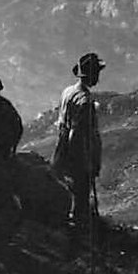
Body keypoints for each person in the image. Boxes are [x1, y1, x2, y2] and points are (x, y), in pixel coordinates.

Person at [52, 51, 105, 246]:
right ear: (92, 75)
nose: (98, 76)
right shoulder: (85, 101)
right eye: (97, 72)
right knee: (81, 197)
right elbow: (78, 134)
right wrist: (86, 162)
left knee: (71, 192)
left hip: (62, 148)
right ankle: (77, 240)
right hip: (78, 153)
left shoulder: (68, 92)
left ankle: (72, 233)